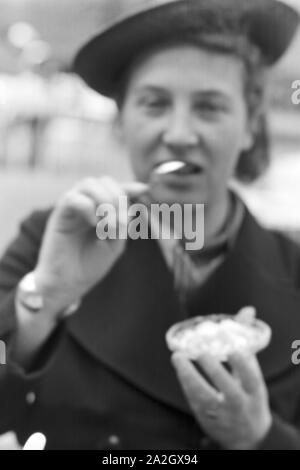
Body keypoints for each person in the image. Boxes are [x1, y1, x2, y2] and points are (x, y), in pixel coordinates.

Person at [0, 0, 300, 450]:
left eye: (210, 107)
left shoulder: (294, 269)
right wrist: (43, 302)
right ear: (120, 123)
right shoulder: (51, 239)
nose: (179, 133)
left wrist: (260, 437)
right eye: (154, 103)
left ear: (250, 127)